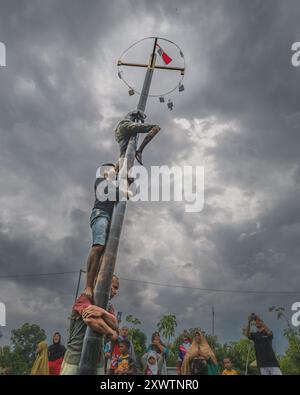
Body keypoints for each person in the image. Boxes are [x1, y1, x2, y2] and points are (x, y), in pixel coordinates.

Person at [60, 275, 119, 375]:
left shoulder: (109, 307)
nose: (115, 291)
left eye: (117, 288)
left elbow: (115, 325)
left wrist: (102, 312)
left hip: (98, 359)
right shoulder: (84, 299)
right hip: (75, 357)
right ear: (104, 284)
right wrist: (110, 331)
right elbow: (90, 319)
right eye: (114, 287)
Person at [83, 164, 118, 299]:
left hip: (110, 218)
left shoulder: (113, 184)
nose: (114, 172)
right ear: (104, 172)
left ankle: (97, 284)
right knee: (98, 247)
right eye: (112, 170)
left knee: (105, 253)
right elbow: (117, 194)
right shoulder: (100, 181)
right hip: (100, 214)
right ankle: (88, 285)